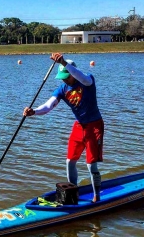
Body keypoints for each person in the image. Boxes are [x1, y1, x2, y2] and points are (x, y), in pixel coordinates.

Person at [23, 53, 104, 203]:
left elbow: (81, 76)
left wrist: (64, 63)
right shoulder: (62, 89)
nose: (64, 78)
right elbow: (48, 106)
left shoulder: (88, 81)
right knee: (70, 161)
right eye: (62, 76)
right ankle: (73, 194)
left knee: (91, 165)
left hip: (94, 126)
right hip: (79, 126)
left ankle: (96, 197)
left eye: (66, 75)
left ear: (73, 71)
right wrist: (34, 111)